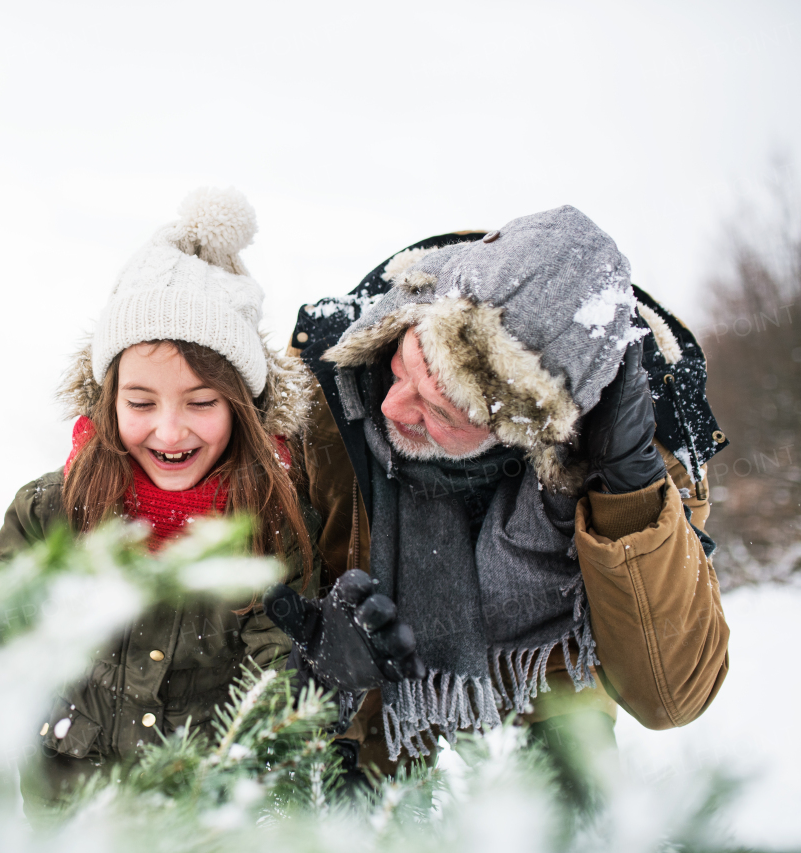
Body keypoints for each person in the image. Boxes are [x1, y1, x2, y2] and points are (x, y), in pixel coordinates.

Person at [0, 188, 424, 809]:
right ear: (108, 398)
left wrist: (326, 674)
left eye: (201, 402)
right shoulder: (53, 513)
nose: (169, 431)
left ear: (245, 411)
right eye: (142, 402)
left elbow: (278, 717)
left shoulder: (274, 528)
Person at [264, 206, 731, 786]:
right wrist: (318, 670)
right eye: (403, 365)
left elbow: (672, 694)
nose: (391, 406)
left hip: (546, 688)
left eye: (440, 409)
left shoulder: (649, 441)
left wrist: (630, 492)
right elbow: (252, 594)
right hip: (372, 693)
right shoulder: (322, 387)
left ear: (530, 429)